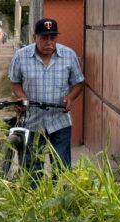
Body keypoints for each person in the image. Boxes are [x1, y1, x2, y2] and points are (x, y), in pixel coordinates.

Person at [8, 18, 84, 188]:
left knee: (62, 168)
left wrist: (71, 97)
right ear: (35, 36)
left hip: (60, 122)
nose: (49, 42)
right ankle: (34, 203)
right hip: (32, 121)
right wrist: (21, 97)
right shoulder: (21, 56)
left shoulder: (69, 55)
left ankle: (62, 205)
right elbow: (15, 81)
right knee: (32, 169)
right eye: (44, 38)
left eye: (53, 38)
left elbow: (79, 82)